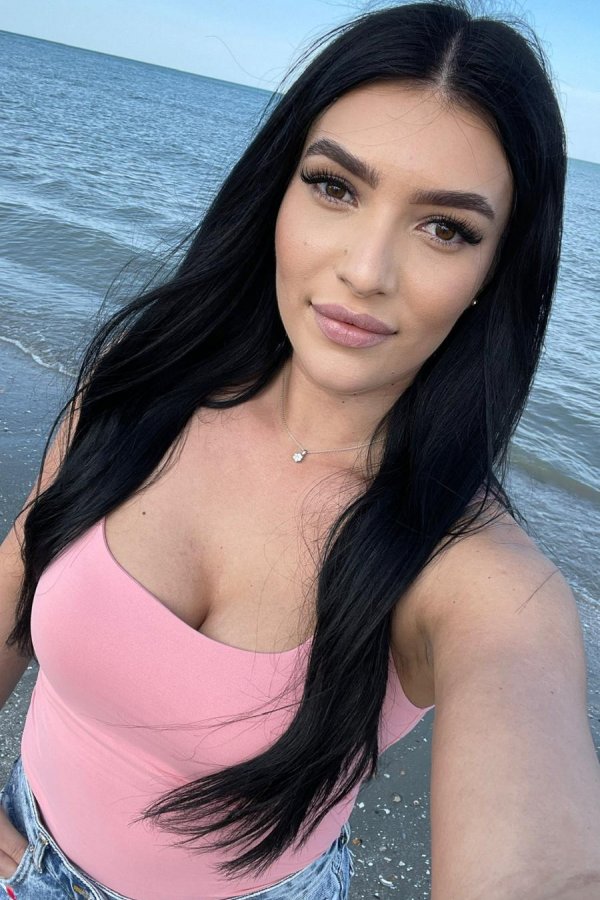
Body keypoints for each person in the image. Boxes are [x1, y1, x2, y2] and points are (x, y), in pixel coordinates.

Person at [0, 1, 599, 898]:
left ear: (495, 271)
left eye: (445, 228)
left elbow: (546, 862)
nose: (365, 268)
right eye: (335, 186)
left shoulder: (477, 579)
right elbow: (18, 570)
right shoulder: (143, 388)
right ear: (277, 190)